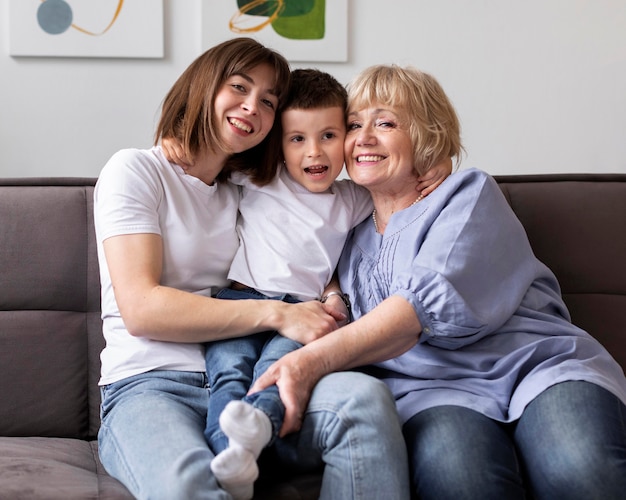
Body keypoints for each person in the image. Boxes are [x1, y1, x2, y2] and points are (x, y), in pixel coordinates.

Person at [251, 64, 626, 499]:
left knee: (579, 469)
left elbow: (419, 308)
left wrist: (308, 362)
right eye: (353, 125)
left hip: (535, 367)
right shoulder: (343, 224)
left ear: (425, 134)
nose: (364, 138)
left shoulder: (466, 193)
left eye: (386, 123)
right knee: (461, 482)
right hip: (429, 393)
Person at [94, 39, 411, 500]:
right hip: (154, 384)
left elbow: (300, 245)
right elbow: (142, 309)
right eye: (239, 87)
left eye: (267, 101)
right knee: (188, 487)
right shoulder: (137, 171)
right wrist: (280, 313)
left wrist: (330, 291)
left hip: (260, 376)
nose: (252, 107)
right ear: (204, 85)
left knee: (364, 404)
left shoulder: (244, 189)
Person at [162, 68, 451, 498]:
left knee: (275, 374)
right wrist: (177, 140)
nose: (313, 152)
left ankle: (257, 431)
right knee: (227, 376)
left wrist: (438, 165)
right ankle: (230, 457)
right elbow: (211, 157)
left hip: (304, 312)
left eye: (329, 136)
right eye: (297, 139)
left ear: (346, 138)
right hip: (240, 302)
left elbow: (399, 186)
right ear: (278, 144)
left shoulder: (353, 198)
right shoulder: (258, 179)